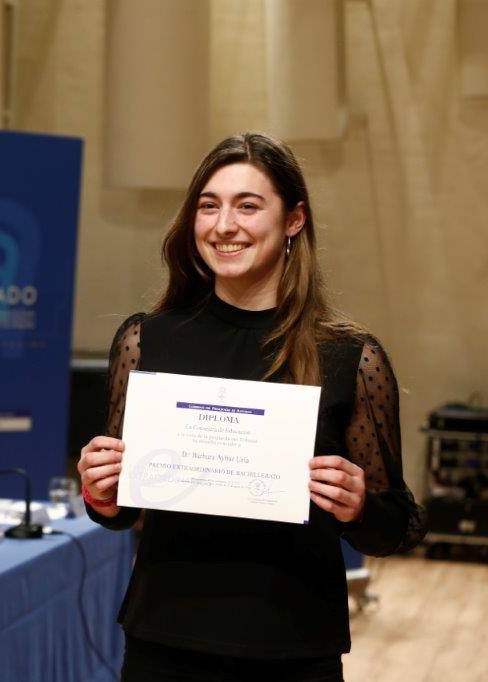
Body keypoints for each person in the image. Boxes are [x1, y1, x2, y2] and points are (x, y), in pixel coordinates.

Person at [77, 132, 427, 681]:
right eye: (208, 205)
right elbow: (120, 511)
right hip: (164, 645)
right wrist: (100, 491)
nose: (224, 225)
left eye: (247, 206)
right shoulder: (146, 341)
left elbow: (399, 528)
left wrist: (359, 507)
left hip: (293, 652)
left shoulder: (349, 356)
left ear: (294, 220)